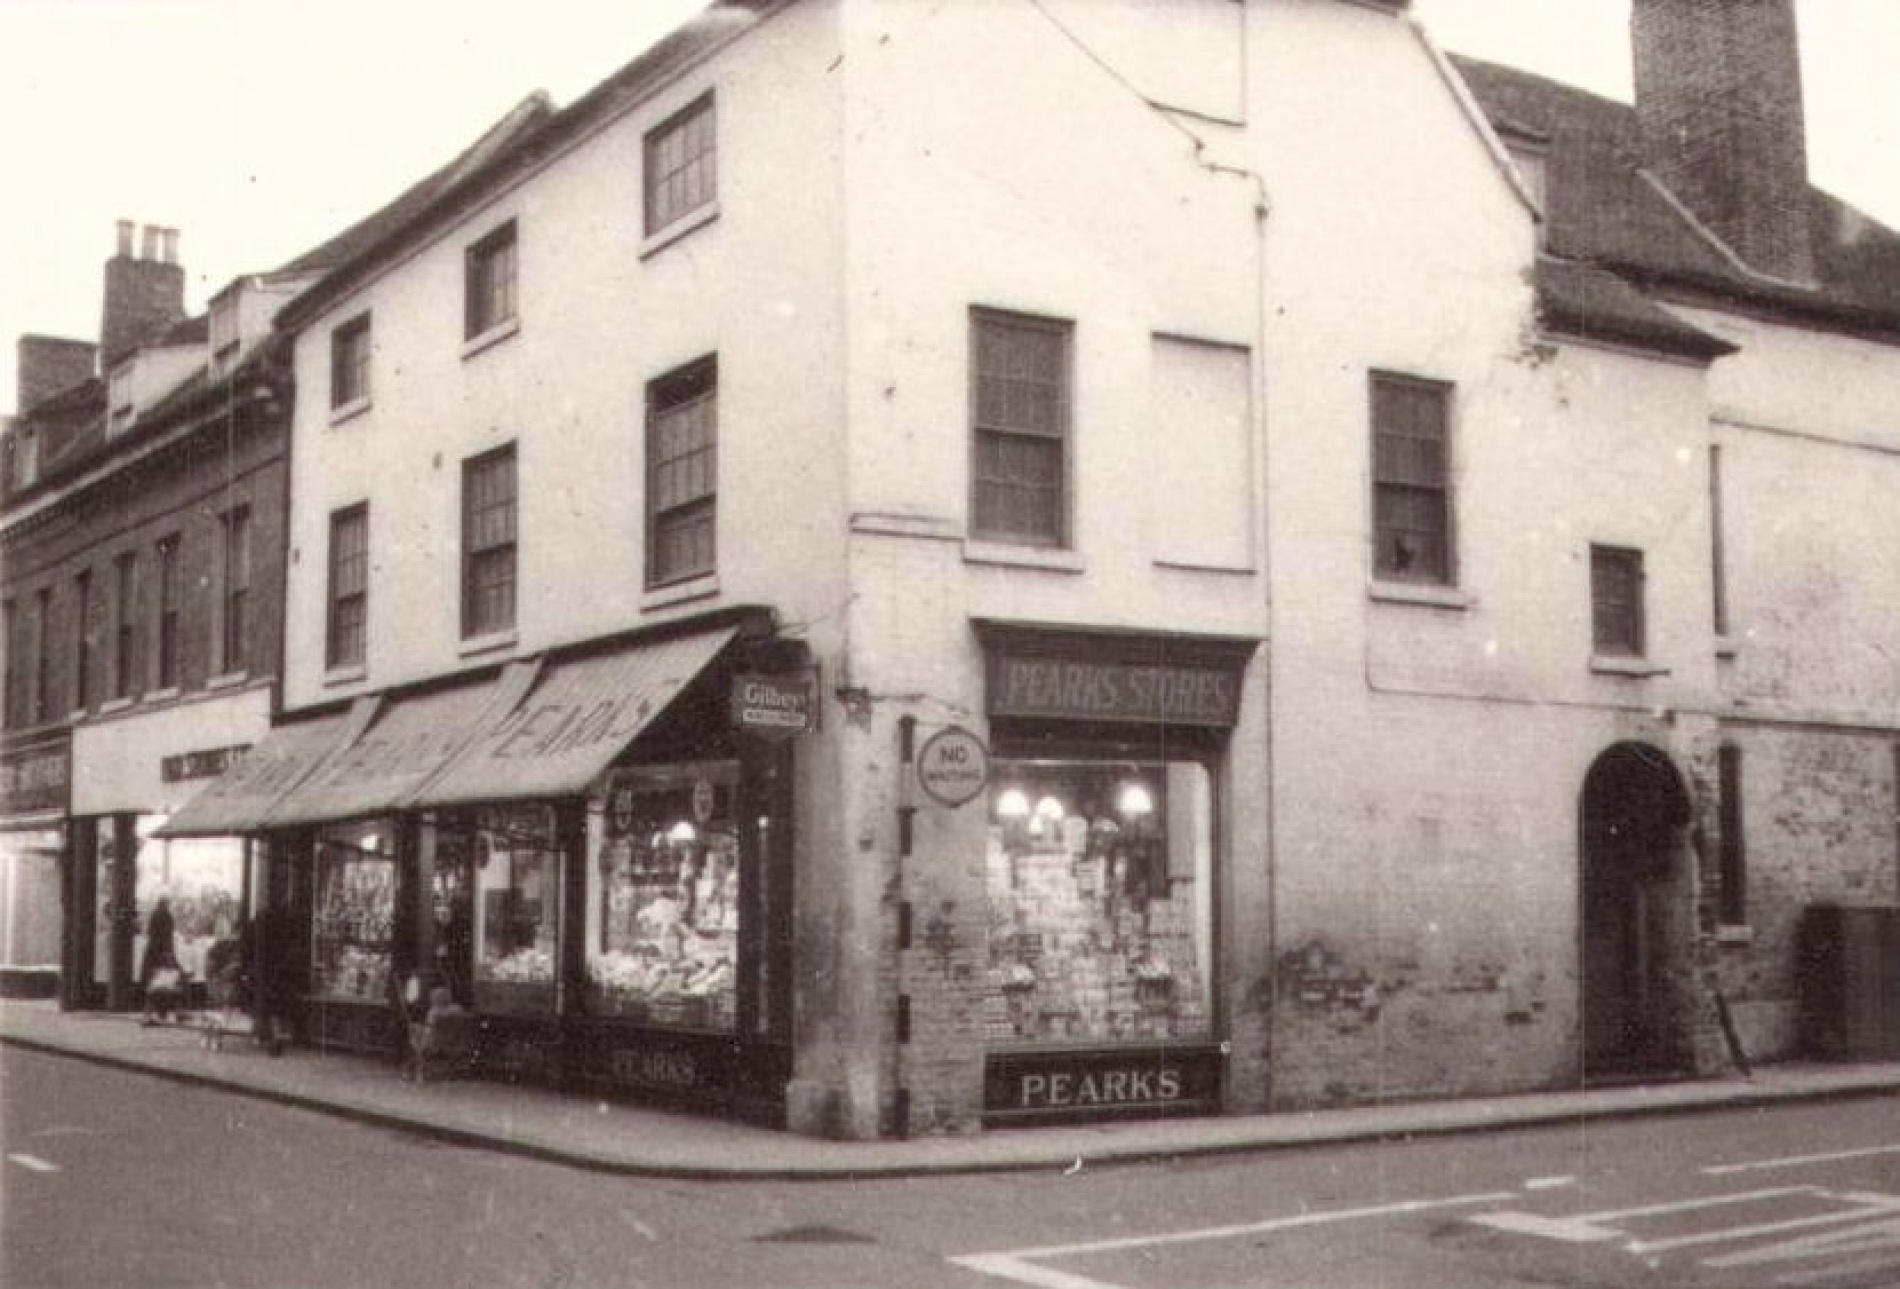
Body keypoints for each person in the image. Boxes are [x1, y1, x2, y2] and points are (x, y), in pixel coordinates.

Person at [139, 897, 180, 1025]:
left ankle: (148, 1015)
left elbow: (152, 933)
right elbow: (168, 937)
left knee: (153, 986)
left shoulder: (154, 915)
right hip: (162, 955)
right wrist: (170, 955)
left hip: (152, 954)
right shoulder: (166, 916)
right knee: (164, 985)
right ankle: (162, 1014)